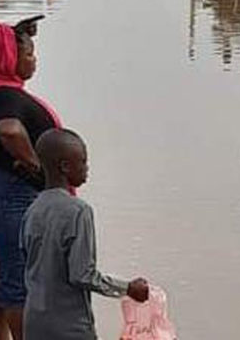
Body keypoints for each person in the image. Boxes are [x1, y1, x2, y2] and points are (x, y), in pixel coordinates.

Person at [0, 18, 61, 340]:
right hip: (10, 195)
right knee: (18, 280)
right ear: (9, 57)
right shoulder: (6, 95)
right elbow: (8, 129)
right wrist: (38, 168)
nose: (35, 60)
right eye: (29, 54)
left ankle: (0, 335)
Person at [21, 129, 150, 340]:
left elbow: (28, 263)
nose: (87, 168)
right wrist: (127, 288)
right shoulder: (78, 211)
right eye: (83, 161)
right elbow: (82, 274)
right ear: (65, 167)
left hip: (34, 322)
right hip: (70, 327)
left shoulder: (32, 210)